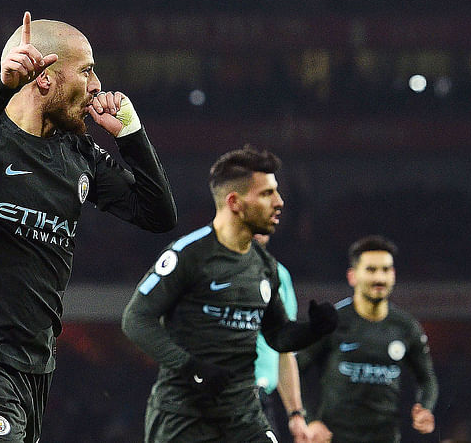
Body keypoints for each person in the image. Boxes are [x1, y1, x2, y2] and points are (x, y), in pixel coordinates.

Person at [0, 11, 177, 443]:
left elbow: (157, 215)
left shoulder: (77, 151)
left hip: (36, 366)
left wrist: (131, 134)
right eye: (87, 70)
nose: (97, 85)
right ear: (44, 78)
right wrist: (2, 85)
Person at [122, 146, 337, 442]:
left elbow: (278, 336)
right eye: (267, 194)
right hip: (184, 418)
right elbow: (135, 319)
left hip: (244, 417)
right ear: (234, 202)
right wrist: (191, 367)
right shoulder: (188, 255)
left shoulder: (266, 266)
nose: (279, 202)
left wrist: (314, 329)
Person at [296, 235, 438, 443]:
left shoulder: (406, 327)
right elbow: (295, 369)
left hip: (386, 437)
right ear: (352, 276)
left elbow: (427, 379)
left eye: (386, 270)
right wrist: (309, 419)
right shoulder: (331, 323)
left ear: (394, 275)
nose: (379, 278)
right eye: (371, 270)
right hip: (334, 438)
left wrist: (425, 408)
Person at [252, 233, 312, 443]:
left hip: (259, 402)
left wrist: (296, 414)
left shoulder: (278, 275)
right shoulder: (204, 265)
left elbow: (284, 349)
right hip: (211, 399)